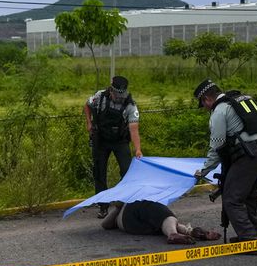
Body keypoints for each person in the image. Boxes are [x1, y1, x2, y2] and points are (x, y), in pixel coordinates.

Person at [192, 79, 257, 254]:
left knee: (232, 199)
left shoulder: (220, 112)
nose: (206, 108)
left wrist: (204, 171)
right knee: (249, 195)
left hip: (250, 156)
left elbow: (216, 146)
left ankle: (249, 241)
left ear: (207, 98)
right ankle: (253, 236)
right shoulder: (242, 99)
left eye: (203, 104)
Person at [84, 75, 143, 218]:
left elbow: (133, 129)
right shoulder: (100, 96)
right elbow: (87, 105)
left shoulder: (130, 105)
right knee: (99, 172)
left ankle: (123, 202)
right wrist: (89, 122)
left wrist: (137, 149)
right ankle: (103, 206)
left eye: (121, 94)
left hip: (120, 141)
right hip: (101, 141)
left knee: (127, 171)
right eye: (116, 94)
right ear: (111, 90)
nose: (119, 97)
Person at [100, 200, 221, 244]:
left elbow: (105, 224)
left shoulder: (123, 205)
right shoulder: (125, 205)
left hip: (137, 227)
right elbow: (105, 224)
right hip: (131, 214)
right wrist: (119, 205)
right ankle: (174, 233)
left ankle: (188, 231)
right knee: (156, 209)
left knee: (161, 223)